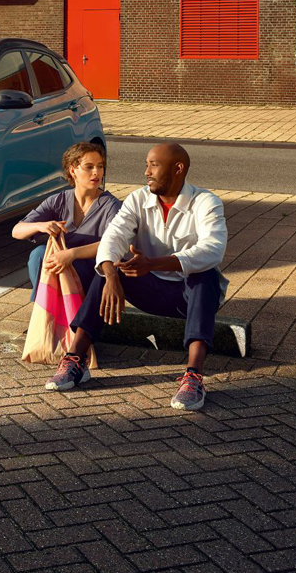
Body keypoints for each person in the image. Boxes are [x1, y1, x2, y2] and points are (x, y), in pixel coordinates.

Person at [45, 142, 229, 412]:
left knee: (205, 276)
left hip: (186, 296)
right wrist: (109, 275)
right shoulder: (138, 199)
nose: (146, 171)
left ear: (178, 169)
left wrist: (153, 263)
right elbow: (114, 237)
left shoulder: (205, 202)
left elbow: (213, 249)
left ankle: (193, 377)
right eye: (146, 164)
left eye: (154, 165)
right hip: (149, 289)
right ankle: (76, 359)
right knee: (111, 268)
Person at [13, 142, 120, 300]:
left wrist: (72, 254)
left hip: (93, 272)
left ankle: (63, 311)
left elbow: (114, 243)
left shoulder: (111, 205)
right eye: (89, 167)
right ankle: (44, 307)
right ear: (73, 170)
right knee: (39, 255)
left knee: (57, 261)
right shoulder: (58, 200)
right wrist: (41, 225)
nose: (96, 172)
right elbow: (17, 231)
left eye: (100, 166)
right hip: (61, 267)